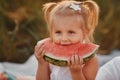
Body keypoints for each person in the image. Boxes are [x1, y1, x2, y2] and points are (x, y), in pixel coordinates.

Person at [34, 0, 99, 80]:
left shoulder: (91, 59)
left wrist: (76, 72)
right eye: (58, 32)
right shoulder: (47, 55)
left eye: (71, 32)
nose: (64, 39)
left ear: (85, 33)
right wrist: (42, 64)